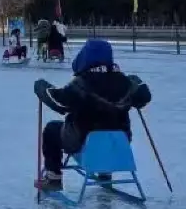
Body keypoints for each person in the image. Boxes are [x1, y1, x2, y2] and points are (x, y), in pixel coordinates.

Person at [33, 39, 151, 191]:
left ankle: (54, 178)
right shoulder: (125, 83)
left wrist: (42, 87)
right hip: (118, 147)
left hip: (85, 146)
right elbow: (144, 97)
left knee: (51, 129)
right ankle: (105, 173)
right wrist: (137, 83)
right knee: (108, 130)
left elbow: (60, 103)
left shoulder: (81, 83)